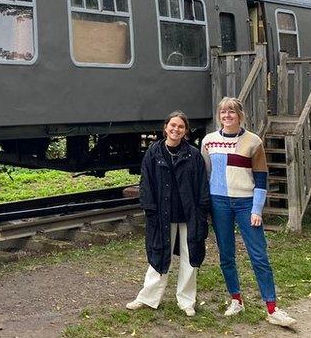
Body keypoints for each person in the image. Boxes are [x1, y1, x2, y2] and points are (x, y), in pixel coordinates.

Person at [202, 97, 297, 328]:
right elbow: (205, 175)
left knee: (259, 255)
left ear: (240, 115)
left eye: (231, 112)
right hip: (219, 203)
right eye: (223, 112)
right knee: (226, 255)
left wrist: (257, 209)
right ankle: (236, 299)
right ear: (219, 115)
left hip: (245, 204)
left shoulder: (253, 141)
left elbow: (262, 178)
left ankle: (272, 307)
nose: (227, 116)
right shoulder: (208, 141)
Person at [126, 111, 210, 316]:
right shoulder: (153, 153)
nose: (176, 129)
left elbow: (201, 185)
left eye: (181, 126)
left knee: (190, 257)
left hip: (188, 215)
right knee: (159, 254)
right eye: (173, 125)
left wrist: (202, 210)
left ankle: (187, 301)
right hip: (162, 215)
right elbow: (145, 183)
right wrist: (149, 209)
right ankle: (148, 298)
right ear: (165, 128)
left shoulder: (194, 154)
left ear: (185, 131)